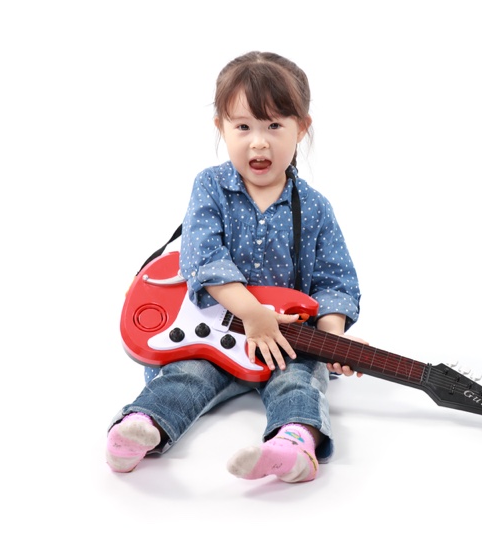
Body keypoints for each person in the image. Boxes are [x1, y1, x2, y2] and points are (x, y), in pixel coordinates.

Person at [106, 51, 363, 484]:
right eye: (243, 126)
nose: (258, 142)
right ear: (220, 128)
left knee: (297, 382)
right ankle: (140, 430)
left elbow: (335, 279)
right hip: (213, 329)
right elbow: (203, 257)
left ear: (302, 128)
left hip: (283, 341)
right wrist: (251, 312)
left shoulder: (316, 208)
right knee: (186, 376)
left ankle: (292, 445)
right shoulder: (211, 186)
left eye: (274, 126)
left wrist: (332, 336)